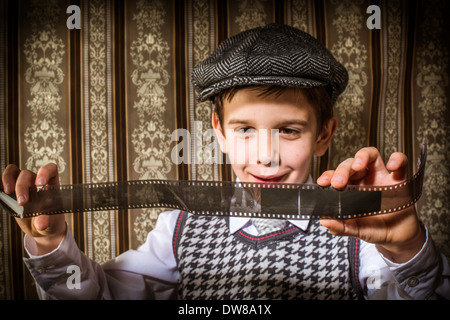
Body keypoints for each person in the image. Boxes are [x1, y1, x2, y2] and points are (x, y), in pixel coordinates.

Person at [2, 24, 449, 300]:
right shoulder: (179, 226)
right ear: (218, 131)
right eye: (245, 130)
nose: (265, 154)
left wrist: (407, 249)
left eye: (289, 130)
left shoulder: (364, 233)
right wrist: (52, 244)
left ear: (324, 134)